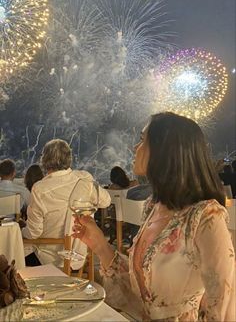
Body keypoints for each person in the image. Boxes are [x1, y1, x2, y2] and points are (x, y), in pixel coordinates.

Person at [73, 112, 235, 321]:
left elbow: (223, 309)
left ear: (164, 151)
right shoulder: (153, 206)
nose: (135, 148)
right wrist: (99, 245)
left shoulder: (206, 217)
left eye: (142, 140)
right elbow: (142, 294)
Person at [22, 139, 111, 267]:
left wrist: (20, 232)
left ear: (44, 160)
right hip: (79, 258)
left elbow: (33, 233)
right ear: (69, 158)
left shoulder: (39, 189)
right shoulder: (85, 178)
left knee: (12, 258)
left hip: (48, 262)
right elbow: (106, 201)